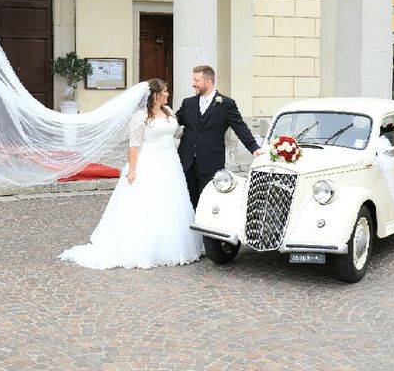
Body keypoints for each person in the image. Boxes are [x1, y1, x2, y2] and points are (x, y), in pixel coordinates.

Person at [59, 78, 204, 269]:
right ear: (156, 95)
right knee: (146, 204)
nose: (168, 94)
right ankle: (144, 248)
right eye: (165, 91)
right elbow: (134, 146)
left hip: (170, 164)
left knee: (170, 203)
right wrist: (133, 170)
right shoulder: (140, 117)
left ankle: (170, 245)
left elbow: (177, 133)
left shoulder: (169, 113)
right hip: (150, 162)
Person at [176, 65, 265, 209]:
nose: (193, 84)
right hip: (186, 161)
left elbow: (240, 127)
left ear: (208, 81)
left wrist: (254, 148)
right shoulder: (188, 103)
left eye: (196, 80)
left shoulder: (226, 104)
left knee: (208, 202)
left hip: (211, 162)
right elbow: (173, 121)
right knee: (187, 203)